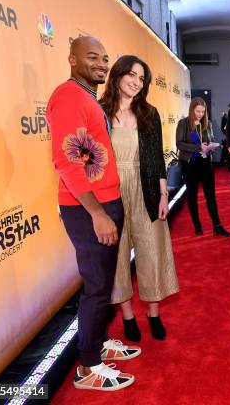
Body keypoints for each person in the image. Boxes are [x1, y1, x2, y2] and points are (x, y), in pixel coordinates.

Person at [47, 36, 136, 391]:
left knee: (104, 281)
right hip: (89, 209)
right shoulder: (68, 96)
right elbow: (66, 162)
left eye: (104, 58)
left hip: (103, 202)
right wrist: (98, 214)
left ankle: (97, 344)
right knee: (97, 287)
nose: (101, 63)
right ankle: (88, 366)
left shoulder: (86, 97)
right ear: (71, 59)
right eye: (91, 57)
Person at [99, 55, 179, 343]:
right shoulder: (100, 111)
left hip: (145, 187)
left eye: (141, 78)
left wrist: (163, 194)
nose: (136, 81)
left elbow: (157, 157)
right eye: (131, 74)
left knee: (151, 250)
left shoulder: (149, 113)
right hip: (111, 190)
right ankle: (128, 315)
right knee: (117, 255)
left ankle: (154, 313)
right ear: (118, 74)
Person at [177, 98, 230, 237]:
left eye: (203, 111)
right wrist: (198, 147)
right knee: (192, 196)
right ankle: (197, 225)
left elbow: (211, 137)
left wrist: (210, 147)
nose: (200, 114)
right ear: (192, 110)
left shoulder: (207, 123)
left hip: (206, 163)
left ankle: (217, 225)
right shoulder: (183, 123)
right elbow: (179, 144)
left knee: (211, 196)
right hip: (190, 164)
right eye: (197, 111)